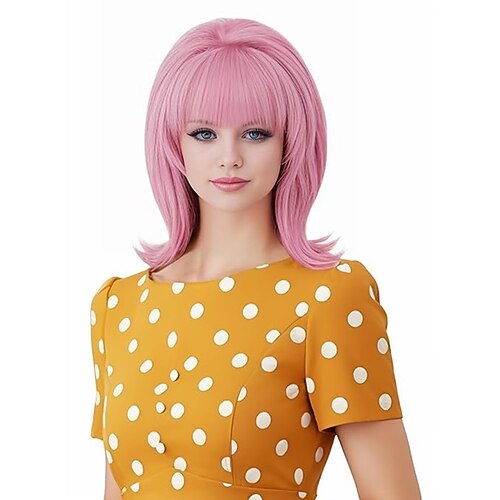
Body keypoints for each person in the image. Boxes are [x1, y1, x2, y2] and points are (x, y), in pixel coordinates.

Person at [89, 17, 421, 499]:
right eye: (204, 133)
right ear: (173, 142)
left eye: (256, 133)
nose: (229, 157)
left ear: (290, 141)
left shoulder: (328, 298)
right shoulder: (118, 308)